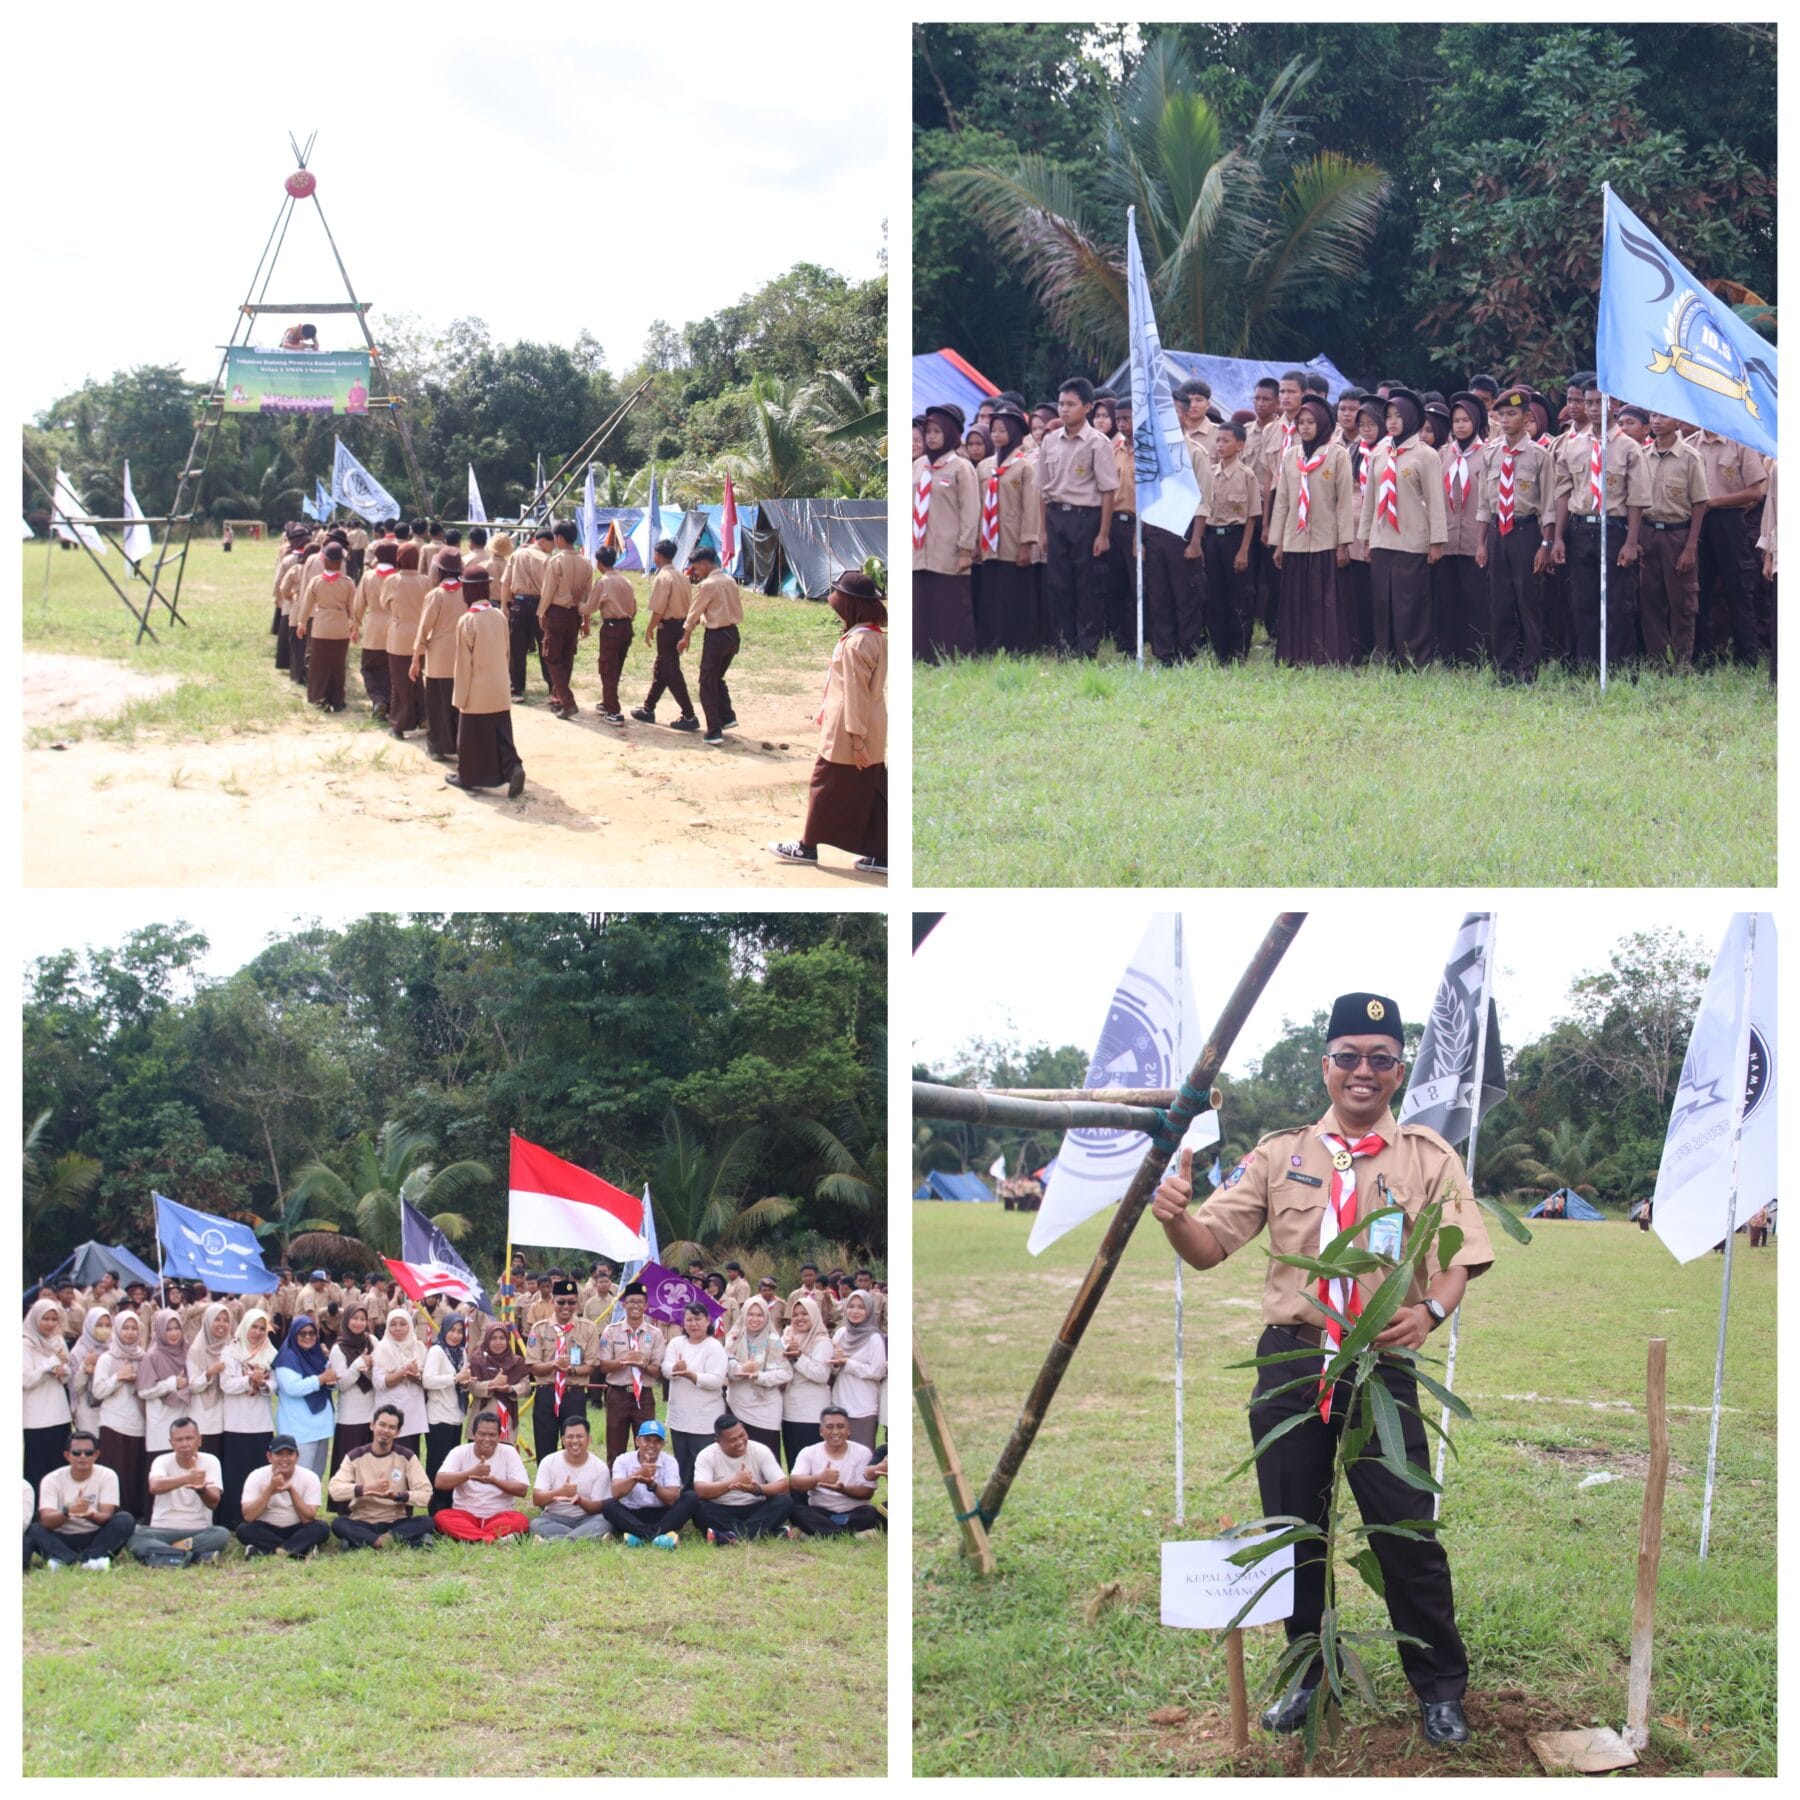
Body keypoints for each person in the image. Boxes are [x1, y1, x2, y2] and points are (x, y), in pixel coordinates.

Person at [1149, 990, 1495, 1747]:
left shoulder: (1429, 1158)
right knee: (1294, 1528)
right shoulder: (1281, 1155)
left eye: (1379, 1059)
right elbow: (1209, 1249)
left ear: (1398, 1072)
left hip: (1379, 1362)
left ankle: (1439, 1688)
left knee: (1404, 1528)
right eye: (1347, 1057)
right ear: (1326, 1066)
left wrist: (1430, 1313)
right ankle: (1308, 1677)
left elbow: (1460, 1259)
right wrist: (1175, 1216)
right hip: (1295, 1362)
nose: (1362, 1072)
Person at [769, 570, 887, 874]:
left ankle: (807, 847)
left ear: (851, 606)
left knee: (824, 785)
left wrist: (857, 740)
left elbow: (855, 695)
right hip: (870, 724)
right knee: (873, 790)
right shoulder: (874, 636)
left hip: (850, 730)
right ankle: (883, 853)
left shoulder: (856, 644)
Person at [1553, 382, 1648, 674]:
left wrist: (1631, 542)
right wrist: (1557, 537)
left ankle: (1619, 667)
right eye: (1589, 403)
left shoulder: (1628, 448)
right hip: (1581, 529)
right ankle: (1588, 665)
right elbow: (1563, 492)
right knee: (1583, 602)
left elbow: (1637, 499)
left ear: (1614, 405)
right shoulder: (1572, 445)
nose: (1594, 409)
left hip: (1614, 528)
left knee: (1618, 602)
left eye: (1599, 402)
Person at [1356, 387, 1447, 667]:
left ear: (1411, 417)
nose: (1393, 421)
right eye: (1389, 416)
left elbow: (1435, 502)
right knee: (1383, 602)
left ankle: (1415, 658)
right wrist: (1366, 538)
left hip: (1412, 540)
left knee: (1411, 603)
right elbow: (1370, 499)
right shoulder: (1379, 454)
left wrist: (1436, 542)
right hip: (1383, 539)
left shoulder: (1425, 455)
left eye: (1398, 416)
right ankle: (1387, 654)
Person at [1265, 394, 1357, 666]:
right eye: (1300, 422)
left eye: (1310, 422)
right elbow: (1282, 501)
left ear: (1324, 424)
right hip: (1295, 539)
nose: (1304, 427)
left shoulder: (1337, 455)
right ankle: (1296, 654)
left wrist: (1343, 543)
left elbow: (1343, 503)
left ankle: (1325, 654)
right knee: (1296, 600)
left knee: (1324, 600)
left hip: (1325, 540)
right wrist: (1279, 542)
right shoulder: (1291, 456)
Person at [1475, 386, 1557, 685]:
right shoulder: (1491, 454)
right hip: (1499, 533)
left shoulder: (1539, 456)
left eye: (1512, 414)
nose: (1506, 420)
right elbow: (1485, 503)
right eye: (1502, 415)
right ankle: (1504, 668)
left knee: (1528, 602)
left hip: (1526, 533)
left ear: (1526, 417)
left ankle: (1529, 668)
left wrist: (1546, 544)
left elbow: (1548, 505)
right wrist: (1481, 543)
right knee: (1501, 603)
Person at [1036, 378, 1118, 657]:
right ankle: (1064, 645)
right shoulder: (1049, 441)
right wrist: (1043, 531)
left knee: (1087, 585)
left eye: (1071, 404)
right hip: (1056, 517)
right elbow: (1042, 490)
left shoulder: (1097, 443)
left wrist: (1103, 534)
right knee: (1058, 584)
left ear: (1087, 407)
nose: (1064, 409)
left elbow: (1108, 491)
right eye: (1061, 403)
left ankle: (1086, 647)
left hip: (1087, 519)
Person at [1639, 413, 1711, 669]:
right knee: (1650, 600)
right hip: (1648, 532)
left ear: (1677, 421)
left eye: (1664, 416)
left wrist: (1691, 546)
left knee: (1682, 602)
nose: (1657, 421)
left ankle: (1682, 662)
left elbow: (1700, 503)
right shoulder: (1642, 455)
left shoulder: (1690, 457)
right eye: (1653, 415)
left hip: (1678, 534)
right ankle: (1656, 662)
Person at [913, 401, 980, 661]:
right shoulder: (919, 466)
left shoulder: (961, 467)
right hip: (918, 551)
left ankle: (955, 655)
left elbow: (970, 511)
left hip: (948, 551)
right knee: (922, 604)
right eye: (928, 432)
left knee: (950, 605)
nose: (931, 437)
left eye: (937, 432)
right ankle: (922, 653)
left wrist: (966, 549)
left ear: (951, 433)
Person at [972, 404, 1041, 653]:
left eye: (1002, 430)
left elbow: (1031, 507)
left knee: (1014, 594)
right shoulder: (984, 467)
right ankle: (990, 643)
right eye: (994, 430)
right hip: (989, 542)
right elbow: (978, 505)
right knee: (991, 595)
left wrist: (1027, 542)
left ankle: (1018, 644)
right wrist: (976, 541)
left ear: (1013, 432)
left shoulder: (1024, 467)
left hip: (1013, 542)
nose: (997, 435)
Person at [327, 1403, 437, 1549]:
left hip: (395, 1521)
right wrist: (365, 1489)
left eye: (392, 1427)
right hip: (363, 1520)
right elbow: (334, 1489)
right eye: (382, 1425)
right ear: (372, 1425)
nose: (386, 1430)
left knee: (427, 1521)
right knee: (339, 1523)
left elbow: (426, 1494)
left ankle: (365, 1542)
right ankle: (398, 1542)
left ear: (398, 1432)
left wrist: (397, 1496)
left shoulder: (406, 1457)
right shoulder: (355, 1456)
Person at [29, 1430, 135, 1570]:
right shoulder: (51, 1480)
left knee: (125, 1519)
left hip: (95, 1537)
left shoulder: (108, 1475)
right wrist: (69, 1511)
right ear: (67, 1455)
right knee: (34, 1529)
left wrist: (89, 1513)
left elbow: (106, 1516)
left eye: (88, 1453)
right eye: (77, 1453)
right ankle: (79, 1561)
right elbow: (46, 1520)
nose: (83, 1457)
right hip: (62, 1536)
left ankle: (78, 1560)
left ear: (96, 1455)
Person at [130, 1417, 229, 1566]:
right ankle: (195, 1557)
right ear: (171, 1443)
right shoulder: (161, 1460)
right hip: (161, 1530)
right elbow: (154, 1487)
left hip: (197, 1530)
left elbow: (214, 1502)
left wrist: (202, 1490)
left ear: (199, 1440)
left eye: (189, 1438)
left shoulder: (210, 1461)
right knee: (133, 1534)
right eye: (179, 1440)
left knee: (221, 1535)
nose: (184, 1444)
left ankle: (168, 1555)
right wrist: (186, 1478)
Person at [526, 1278, 601, 1460]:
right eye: (561, 1302)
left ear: (578, 1302)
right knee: (545, 1448)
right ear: (553, 1301)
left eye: (571, 1302)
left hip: (573, 1395)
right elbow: (533, 1366)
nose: (566, 1306)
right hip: (546, 1394)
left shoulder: (588, 1329)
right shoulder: (539, 1329)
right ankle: (546, 1488)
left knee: (575, 1448)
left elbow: (591, 1365)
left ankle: (572, 1486)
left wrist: (571, 1371)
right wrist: (554, 1365)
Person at [692, 1410, 793, 1545]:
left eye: (742, 1435)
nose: (740, 1442)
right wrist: (733, 1482)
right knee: (695, 1505)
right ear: (718, 1441)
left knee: (785, 1501)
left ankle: (730, 1536)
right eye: (733, 1440)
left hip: (755, 1507)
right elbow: (700, 1490)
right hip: (722, 1508)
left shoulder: (760, 1450)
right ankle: (766, 1532)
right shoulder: (706, 1455)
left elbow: (783, 1486)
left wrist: (756, 1489)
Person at [631, 537, 701, 729]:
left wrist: (650, 628)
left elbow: (659, 610)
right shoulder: (682, 576)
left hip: (668, 627)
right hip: (680, 626)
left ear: (658, 555)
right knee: (662, 668)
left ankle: (689, 715)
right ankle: (648, 708)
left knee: (670, 671)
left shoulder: (663, 577)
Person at [678, 543, 744, 745]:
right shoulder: (730, 580)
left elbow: (694, 613)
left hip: (716, 636)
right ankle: (727, 717)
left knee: (707, 682)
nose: (695, 572)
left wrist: (685, 636)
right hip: (733, 634)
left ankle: (714, 730)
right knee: (717, 678)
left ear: (705, 564)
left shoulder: (707, 585)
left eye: (696, 568)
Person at [216, 1308, 275, 1530]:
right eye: (254, 1327)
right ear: (245, 1327)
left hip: (261, 1422)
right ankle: (233, 1519)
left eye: (262, 1328)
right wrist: (249, 1381)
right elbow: (226, 1384)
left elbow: (275, 1384)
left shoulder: (270, 1352)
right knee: (235, 1473)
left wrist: (264, 1384)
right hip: (236, 1423)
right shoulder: (230, 1352)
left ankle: (259, 1516)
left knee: (260, 1472)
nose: (257, 1333)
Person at [433, 1411, 531, 1542]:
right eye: (482, 1434)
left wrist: (494, 1481)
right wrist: (470, 1473)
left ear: (499, 1436)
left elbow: (522, 1490)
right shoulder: (459, 1452)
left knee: (520, 1520)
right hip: (465, 1515)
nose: (487, 1439)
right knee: (441, 1517)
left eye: (492, 1435)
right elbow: (440, 1482)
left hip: (499, 1515)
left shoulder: (509, 1452)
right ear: (473, 1434)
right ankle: (490, 1539)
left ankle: (472, 1537)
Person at [661, 1301, 729, 1486]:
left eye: (698, 1319)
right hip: (679, 1417)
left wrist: (691, 1375)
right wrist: (675, 1368)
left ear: (708, 1321)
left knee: (704, 1464)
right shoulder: (676, 1343)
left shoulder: (713, 1347)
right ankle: (685, 1499)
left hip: (704, 1420)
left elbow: (716, 1380)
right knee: (683, 1464)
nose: (693, 1324)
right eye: (689, 1319)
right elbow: (665, 1368)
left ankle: (705, 1501)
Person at [788, 1406, 884, 1537]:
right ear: (821, 1431)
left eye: (840, 1426)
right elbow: (794, 1482)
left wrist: (842, 1489)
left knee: (871, 1513)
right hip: (821, 1511)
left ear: (849, 1430)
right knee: (796, 1512)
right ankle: (851, 1535)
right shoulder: (809, 1452)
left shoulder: (862, 1452)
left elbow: (867, 1493)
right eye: (829, 1427)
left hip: (854, 1511)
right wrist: (819, 1478)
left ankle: (817, 1532)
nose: (835, 1432)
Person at [601, 1419, 695, 1547]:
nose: (652, 1445)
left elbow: (672, 1499)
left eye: (657, 1441)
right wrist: (637, 1475)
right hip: (631, 1513)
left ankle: (638, 1536)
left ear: (663, 1444)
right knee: (608, 1505)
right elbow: (616, 1492)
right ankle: (656, 1537)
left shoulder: (670, 1462)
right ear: (637, 1441)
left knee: (691, 1498)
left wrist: (653, 1485)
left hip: (662, 1514)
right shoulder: (623, 1460)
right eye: (647, 1440)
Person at [235, 1434, 330, 1559]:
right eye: (279, 1454)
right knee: (243, 1530)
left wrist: (291, 1490)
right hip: (266, 1527)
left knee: (321, 1528)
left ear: (297, 1456)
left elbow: (308, 1518)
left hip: (297, 1528)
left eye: (289, 1454)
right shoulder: (257, 1475)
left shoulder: (310, 1477)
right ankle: (297, 1550)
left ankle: (268, 1550)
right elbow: (249, 1516)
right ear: (269, 1457)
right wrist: (270, 1489)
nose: (284, 1459)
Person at [412, 551, 468, 759]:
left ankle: (438, 746)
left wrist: (416, 656)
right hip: (463, 651)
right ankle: (459, 744)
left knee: (437, 702)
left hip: (439, 655)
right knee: (459, 702)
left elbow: (424, 627)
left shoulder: (436, 595)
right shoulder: (467, 591)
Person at [598, 1284, 665, 1460]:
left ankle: (646, 1483)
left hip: (644, 1396)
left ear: (646, 1306)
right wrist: (623, 1361)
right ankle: (615, 1484)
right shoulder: (611, 1331)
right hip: (618, 1395)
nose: (635, 1305)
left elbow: (656, 1372)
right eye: (631, 1301)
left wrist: (643, 1364)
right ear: (623, 1304)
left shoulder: (655, 1334)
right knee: (615, 1446)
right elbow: (603, 1366)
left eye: (640, 1302)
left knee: (647, 1445)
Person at [723, 1295, 790, 1464]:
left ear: (766, 1317)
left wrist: (759, 1376)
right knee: (738, 1454)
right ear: (744, 1314)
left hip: (765, 1408)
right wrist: (739, 1370)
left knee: (765, 1454)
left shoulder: (773, 1340)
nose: (754, 1319)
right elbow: (725, 1362)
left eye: (759, 1315)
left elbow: (785, 1373)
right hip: (736, 1404)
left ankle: (768, 1490)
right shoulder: (734, 1337)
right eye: (750, 1314)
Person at [271, 1313, 339, 1479]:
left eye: (312, 1333)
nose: (308, 1337)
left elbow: (330, 1379)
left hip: (321, 1427)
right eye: (303, 1333)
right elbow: (292, 1387)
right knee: (299, 1479)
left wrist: (331, 1382)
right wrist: (321, 1379)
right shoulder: (287, 1357)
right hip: (299, 1429)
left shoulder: (317, 1354)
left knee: (315, 1478)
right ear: (294, 1335)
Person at [527, 1415, 614, 1540]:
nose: (574, 1441)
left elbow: (597, 1508)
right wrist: (561, 1492)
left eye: (579, 1436)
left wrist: (580, 1500)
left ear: (588, 1439)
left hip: (587, 1519)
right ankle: (587, 1538)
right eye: (570, 1437)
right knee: (535, 1524)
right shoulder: (548, 1461)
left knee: (605, 1522)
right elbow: (537, 1499)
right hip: (555, 1517)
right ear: (562, 1440)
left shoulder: (600, 1468)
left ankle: (554, 1541)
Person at [538, 521, 592, 717]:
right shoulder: (586, 562)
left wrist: (541, 613)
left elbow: (548, 591)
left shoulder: (556, 561)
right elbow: (588, 595)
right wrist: (586, 619)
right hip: (574, 615)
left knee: (551, 656)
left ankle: (567, 701)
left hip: (557, 613)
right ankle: (559, 697)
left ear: (559, 538)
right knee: (566, 657)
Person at [294, 541, 356, 711]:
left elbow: (306, 605)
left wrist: (301, 623)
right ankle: (337, 699)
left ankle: (317, 696)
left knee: (318, 664)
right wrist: (355, 626)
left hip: (320, 627)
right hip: (340, 629)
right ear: (340, 563)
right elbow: (353, 609)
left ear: (324, 561)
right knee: (337, 665)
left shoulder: (316, 582)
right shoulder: (348, 583)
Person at [22, 1298, 73, 1498]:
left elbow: (67, 1371)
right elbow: (25, 1379)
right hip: (36, 1418)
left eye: (54, 1319)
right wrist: (50, 1364)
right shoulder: (26, 1344)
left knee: (59, 1464)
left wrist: (62, 1371)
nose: (50, 1324)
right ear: (35, 1319)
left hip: (59, 1413)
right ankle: (36, 1512)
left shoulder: (58, 1341)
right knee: (38, 1466)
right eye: (46, 1319)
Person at [326, 1303, 380, 1490]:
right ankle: (345, 1509)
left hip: (372, 1414)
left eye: (362, 1319)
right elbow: (341, 1384)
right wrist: (359, 1363)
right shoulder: (338, 1348)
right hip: (350, 1417)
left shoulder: (372, 1341)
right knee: (350, 1466)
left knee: (370, 1466)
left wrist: (372, 1366)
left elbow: (382, 1370)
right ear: (346, 1320)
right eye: (354, 1318)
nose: (358, 1323)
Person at [422, 1312, 473, 1508]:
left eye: (460, 1331)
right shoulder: (437, 1351)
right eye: (452, 1330)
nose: (456, 1335)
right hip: (438, 1415)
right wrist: (454, 1379)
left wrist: (465, 1383)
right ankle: (435, 1508)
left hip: (456, 1415)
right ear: (444, 1330)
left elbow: (461, 1382)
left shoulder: (461, 1352)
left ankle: (449, 1506)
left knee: (452, 1464)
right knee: (437, 1463)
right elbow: (428, 1380)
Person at [583, 542, 636, 724]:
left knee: (607, 669)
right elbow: (634, 607)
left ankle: (613, 711)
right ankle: (608, 702)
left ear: (599, 563)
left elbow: (590, 607)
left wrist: (579, 606)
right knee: (616, 667)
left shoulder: (604, 582)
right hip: (627, 627)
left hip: (612, 628)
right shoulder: (625, 580)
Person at [780, 1295, 835, 1469]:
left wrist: (797, 1357)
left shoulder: (822, 1341)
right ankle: (797, 1497)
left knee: (813, 1467)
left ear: (814, 1315)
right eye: (795, 1314)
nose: (799, 1318)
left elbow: (821, 1374)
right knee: (794, 1465)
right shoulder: (787, 1340)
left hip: (811, 1415)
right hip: (789, 1412)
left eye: (805, 1313)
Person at [828, 1290, 887, 1449]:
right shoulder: (841, 1333)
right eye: (851, 1306)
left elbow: (877, 1371)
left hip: (863, 1406)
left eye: (861, 1307)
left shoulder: (874, 1338)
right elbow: (831, 1366)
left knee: (862, 1455)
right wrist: (836, 1363)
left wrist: (848, 1363)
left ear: (868, 1310)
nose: (855, 1311)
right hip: (839, 1401)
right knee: (838, 1455)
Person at [383, 544, 431, 736]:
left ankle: (399, 724)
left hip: (400, 635)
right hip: (422, 634)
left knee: (399, 682)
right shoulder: (425, 581)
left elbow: (383, 603)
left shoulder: (392, 580)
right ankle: (423, 717)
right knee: (419, 680)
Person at [137, 1308, 195, 1461]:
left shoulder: (187, 1350)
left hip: (183, 1417)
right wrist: (172, 1384)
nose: (174, 1333)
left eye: (177, 1328)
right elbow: (143, 1391)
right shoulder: (152, 1356)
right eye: (168, 1329)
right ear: (160, 1330)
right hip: (161, 1421)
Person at [371, 1308, 428, 1457]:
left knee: (409, 1456)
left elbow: (426, 1380)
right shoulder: (382, 1349)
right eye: (393, 1324)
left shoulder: (418, 1347)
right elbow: (379, 1382)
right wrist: (403, 1372)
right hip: (390, 1413)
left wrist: (416, 1377)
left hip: (413, 1413)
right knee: (390, 1457)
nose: (398, 1328)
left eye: (402, 1324)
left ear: (410, 1325)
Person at [184, 1301, 235, 1462]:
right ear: (207, 1321)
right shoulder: (196, 1350)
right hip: (204, 1417)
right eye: (217, 1319)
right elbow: (192, 1386)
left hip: (228, 1417)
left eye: (226, 1320)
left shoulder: (232, 1347)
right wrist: (209, 1374)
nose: (222, 1324)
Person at [350, 536, 395, 717]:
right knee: (391, 669)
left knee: (368, 667)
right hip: (395, 628)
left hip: (373, 627)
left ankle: (378, 699)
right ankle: (390, 702)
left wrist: (355, 624)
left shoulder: (369, 577)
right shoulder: (399, 577)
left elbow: (359, 603)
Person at [468, 1322, 531, 1446]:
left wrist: (510, 1389)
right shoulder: (478, 1360)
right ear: (487, 1340)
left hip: (506, 1418)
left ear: (507, 1340)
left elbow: (526, 1385)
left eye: (502, 1338)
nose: (498, 1342)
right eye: (493, 1338)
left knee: (504, 1458)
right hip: (481, 1416)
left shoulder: (516, 1362)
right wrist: (492, 1384)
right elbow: (473, 1386)